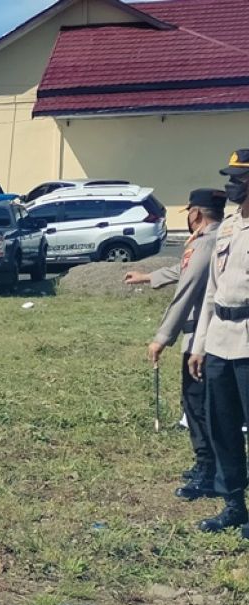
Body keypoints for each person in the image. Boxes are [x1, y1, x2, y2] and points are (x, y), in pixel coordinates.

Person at [125, 188, 226, 501]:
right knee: (205, 405)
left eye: (189, 212)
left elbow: (188, 289)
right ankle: (212, 468)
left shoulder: (207, 241)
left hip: (202, 337)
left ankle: (208, 472)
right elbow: (184, 270)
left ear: (196, 212)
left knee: (197, 406)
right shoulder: (217, 237)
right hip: (216, 336)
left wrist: (162, 338)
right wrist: (148, 277)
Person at [189, 149, 249, 534]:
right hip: (220, 341)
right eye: (232, 178)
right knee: (222, 425)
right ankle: (233, 504)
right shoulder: (227, 226)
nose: (233, 185)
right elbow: (212, 290)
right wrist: (199, 345)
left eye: (240, 179)